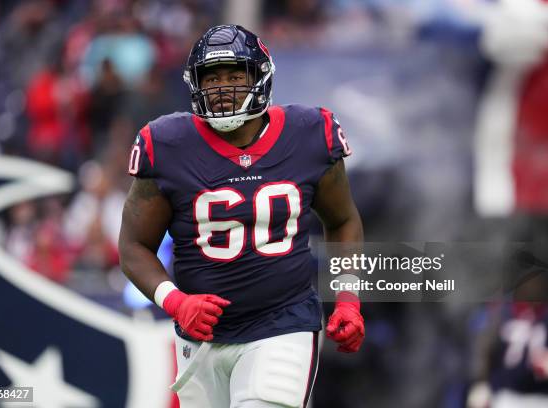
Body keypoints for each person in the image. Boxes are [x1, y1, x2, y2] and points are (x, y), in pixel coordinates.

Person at [118, 24, 365, 408]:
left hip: (283, 323)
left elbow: (343, 220)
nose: (223, 88)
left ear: (260, 78)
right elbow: (134, 245)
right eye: (212, 78)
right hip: (199, 337)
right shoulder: (167, 144)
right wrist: (175, 301)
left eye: (235, 75)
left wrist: (348, 297)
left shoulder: (310, 134)